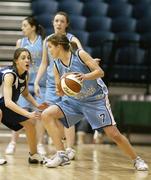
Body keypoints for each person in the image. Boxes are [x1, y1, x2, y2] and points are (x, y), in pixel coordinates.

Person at [41, 34, 149, 171]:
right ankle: (61, 154)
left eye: (50, 47)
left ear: (59, 46)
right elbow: (60, 91)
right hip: (74, 101)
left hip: (95, 100)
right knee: (46, 114)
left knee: (113, 134)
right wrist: (60, 91)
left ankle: (136, 159)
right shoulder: (56, 65)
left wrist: (84, 76)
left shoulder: (80, 55)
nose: (49, 51)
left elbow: (100, 72)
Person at [34, 11, 84, 160]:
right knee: (48, 115)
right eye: (56, 21)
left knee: (67, 116)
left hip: (68, 83)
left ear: (67, 24)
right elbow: (44, 63)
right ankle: (55, 147)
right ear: (52, 23)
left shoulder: (72, 40)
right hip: (51, 84)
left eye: (62, 21)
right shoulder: (47, 40)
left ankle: (69, 148)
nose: (59, 23)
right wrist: (37, 81)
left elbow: (81, 56)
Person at [5, 16, 47, 155]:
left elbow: (46, 62)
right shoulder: (20, 42)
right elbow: (16, 62)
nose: (22, 28)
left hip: (40, 83)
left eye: (24, 25)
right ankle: (13, 142)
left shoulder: (43, 42)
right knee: (19, 111)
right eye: (22, 26)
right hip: (23, 84)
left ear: (33, 27)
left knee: (39, 114)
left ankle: (39, 144)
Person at [0, 48, 46, 165]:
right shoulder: (10, 76)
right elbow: (8, 102)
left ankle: (34, 155)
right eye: (23, 58)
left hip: (3, 103)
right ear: (16, 61)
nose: (27, 60)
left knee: (30, 124)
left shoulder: (25, 75)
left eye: (28, 58)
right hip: (4, 102)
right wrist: (27, 113)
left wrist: (38, 105)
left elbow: (25, 93)